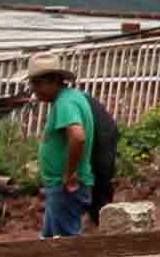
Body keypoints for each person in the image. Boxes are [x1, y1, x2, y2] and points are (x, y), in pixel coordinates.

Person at [25, 55, 103, 239]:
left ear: (54, 80)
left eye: (37, 83)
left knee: (66, 245)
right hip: (61, 187)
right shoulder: (71, 97)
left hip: (65, 187)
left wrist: (69, 174)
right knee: (51, 241)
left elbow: (78, 136)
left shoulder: (65, 103)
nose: (33, 89)